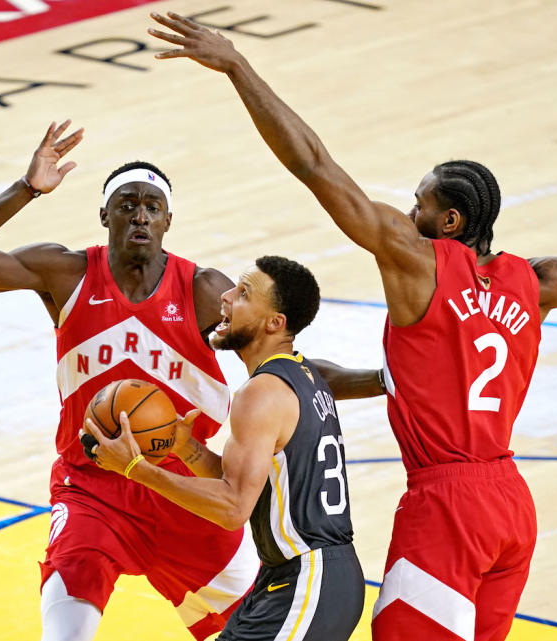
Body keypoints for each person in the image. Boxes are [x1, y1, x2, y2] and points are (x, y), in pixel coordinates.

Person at [145, 12, 557, 641]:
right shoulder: (541, 280)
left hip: (446, 503)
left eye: (419, 203)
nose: (406, 212)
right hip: (509, 507)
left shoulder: (420, 266)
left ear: (448, 224)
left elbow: (316, 168)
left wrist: (237, 66)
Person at [0, 121, 264, 641]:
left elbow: (272, 368)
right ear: (105, 214)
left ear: (169, 219)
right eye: (127, 205)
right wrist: (25, 190)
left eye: (152, 206)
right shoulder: (65, 272)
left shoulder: (203, 290)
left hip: (182, 486)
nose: (141, 215)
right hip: (92, 486)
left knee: (260, 630)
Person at [83, 255, 366, 641]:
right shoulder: (299, 374)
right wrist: (188, 449)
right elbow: (248, 482)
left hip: (308, 579)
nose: (227, 297)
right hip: (304, 577)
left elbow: (233, 508)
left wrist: (136, 468)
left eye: (244, 293)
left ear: (274, 322)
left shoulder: (261, 392)